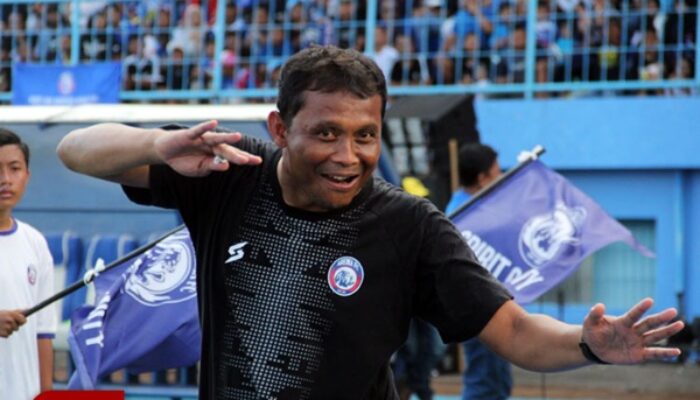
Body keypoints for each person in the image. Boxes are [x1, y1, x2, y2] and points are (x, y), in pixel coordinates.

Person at [57, 45, 684, 399]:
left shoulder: (409, 224)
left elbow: (515, 331)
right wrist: (155, 145)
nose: (348, 155)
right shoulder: (228, 171)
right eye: (326, 133)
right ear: (280, 128)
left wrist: (587, 344)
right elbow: (74, 150)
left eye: (365, 135)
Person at [444, 143, 512, 400]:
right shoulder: (465, 215)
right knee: (484, 382)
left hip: (492, 307)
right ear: (482, 178)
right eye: (497, 172)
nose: (501, 177)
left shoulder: (470, 207)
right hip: (480, 311)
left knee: (497, 382)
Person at [0, 128, 56, 400]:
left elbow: (43, 332)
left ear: (27, 175)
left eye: (14, 169)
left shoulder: (35, 242)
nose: (5, 180)